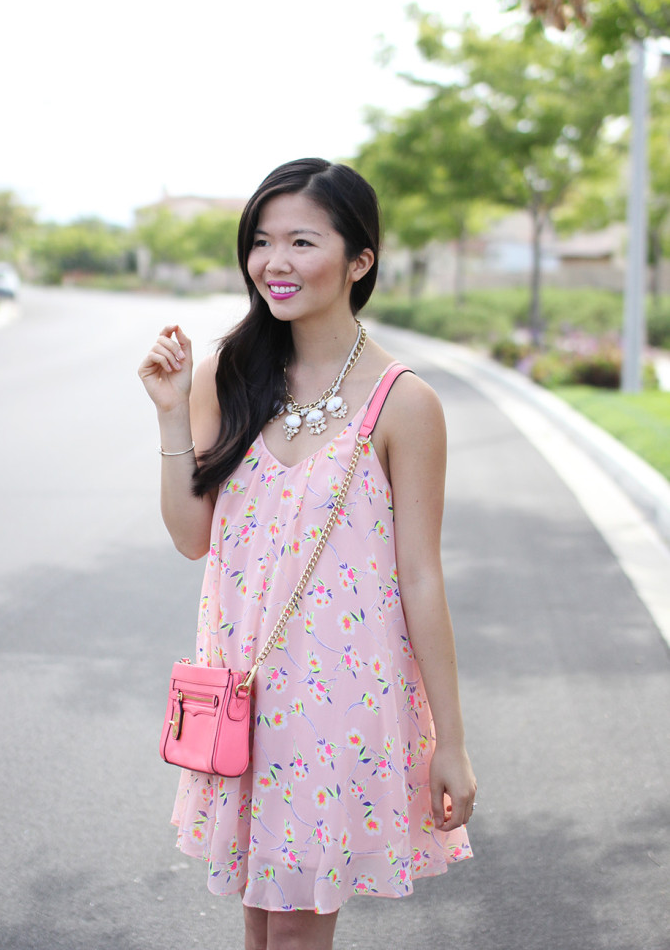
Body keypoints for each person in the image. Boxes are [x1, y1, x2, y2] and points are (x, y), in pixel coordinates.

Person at [138, 158, 476, 950]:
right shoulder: (230, 374)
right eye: (261, 241)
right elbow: (191, 537)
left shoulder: (403, 402)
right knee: (262, 922)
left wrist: (451, 743)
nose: (274, 262)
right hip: (242, 689)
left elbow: (421, 578)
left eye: (300, 241)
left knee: (291, 930)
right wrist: (170, 415)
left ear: (359, 261)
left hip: (338, 700)